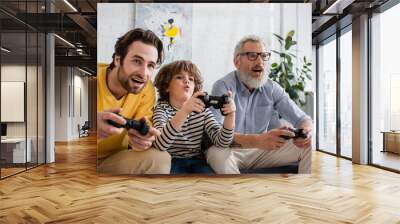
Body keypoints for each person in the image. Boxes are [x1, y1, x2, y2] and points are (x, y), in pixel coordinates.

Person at [207, 35, 313, 174]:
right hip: (230, 150)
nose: (260, 62)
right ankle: (236, 194)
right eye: (252, 56)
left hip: (261, 151)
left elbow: (303, 119)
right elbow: (215, 133)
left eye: (263, 56)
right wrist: (257, 140)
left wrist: (304, 133)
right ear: (237, 62)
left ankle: (304, 193)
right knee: (216, 154)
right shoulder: (223, 86)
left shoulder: (272, 87)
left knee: (308, 146)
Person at [97, 28, 171, 174]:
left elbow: (139, 136)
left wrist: (141, 141)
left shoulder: (147, 89)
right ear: (118, 60)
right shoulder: (91, 77)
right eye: (137, 61)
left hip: (113, 160)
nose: (144, 73)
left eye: (150, 65)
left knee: (160, 158)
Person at [152, 60, 236, 173]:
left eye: (191, 79)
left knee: (210, 185)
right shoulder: (161, 109)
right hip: (171, 161)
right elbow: (160, 144)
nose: (187, 80)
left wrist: (230, 115)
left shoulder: (202, 110)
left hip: (197, 161)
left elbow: (222, 142)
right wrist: (185, 110)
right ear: (166, 87)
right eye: (179, 77)